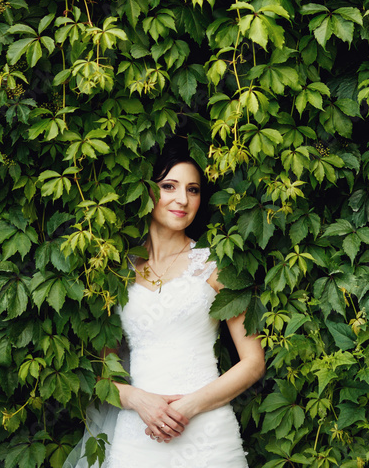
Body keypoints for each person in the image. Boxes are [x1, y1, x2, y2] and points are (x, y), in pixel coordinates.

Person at [64, 136, 265, 468]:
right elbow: (101, 374)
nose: (182, 199)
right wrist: (139, 400)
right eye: (169, 186)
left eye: (193, 190)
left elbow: (253, 362)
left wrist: (187, 407)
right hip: (138, 434)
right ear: (147, 191)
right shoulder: (117, 271)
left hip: (207, 434)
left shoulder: (215, 265)